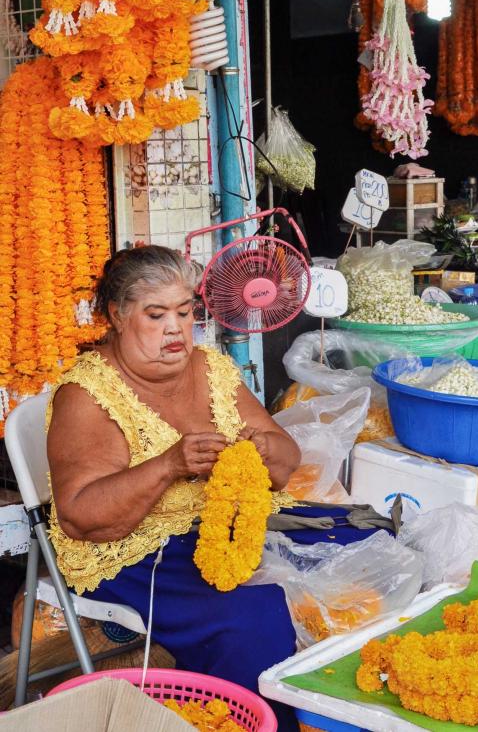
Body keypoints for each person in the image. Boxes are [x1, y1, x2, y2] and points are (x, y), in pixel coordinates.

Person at [46, 245, 303, 728]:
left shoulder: (212, 368)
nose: (175, 329)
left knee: (361, 548)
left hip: (228, 522)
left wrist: (263, 450)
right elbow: (81, 515)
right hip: (142, 550)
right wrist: (168, 465)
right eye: (156, 314)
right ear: (119, 315)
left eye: (185, 313)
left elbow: (288, 461)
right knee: (256, 616)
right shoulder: (86, 396)